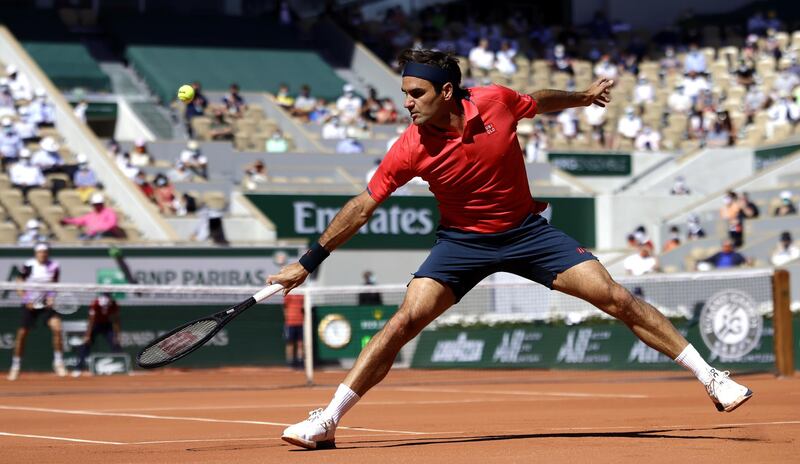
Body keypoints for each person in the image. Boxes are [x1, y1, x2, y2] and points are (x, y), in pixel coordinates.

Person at [270, 48, 752, 450]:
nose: (407, 104)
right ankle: (328, 420)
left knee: (616, 297)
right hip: (461, 243)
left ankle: (711, 377)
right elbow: (362, 206)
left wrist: (583, 98)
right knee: (402, 322)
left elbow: (536, 100)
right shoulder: (409, 146)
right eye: (404, 94)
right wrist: (308, 262)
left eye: (415, 94)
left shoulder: (496, 101)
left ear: (445, 91)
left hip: (527, 233)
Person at [8, 243, 66, 381]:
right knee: (22, 334)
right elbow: (19, 281)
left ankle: (58, 363)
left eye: (45, 252)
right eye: (40, 252)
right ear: (36, 253)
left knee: (57, 328)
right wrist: (25, 298)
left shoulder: (54, 266)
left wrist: (51, 297)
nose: (43, 254)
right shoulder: (29, 265)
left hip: (46, 304)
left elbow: (55, 283)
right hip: (29, 304)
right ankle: (15, 366)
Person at [73, 293, 122, 376]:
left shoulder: (114, 304)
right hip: (95, 325)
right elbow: (91, 320)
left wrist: (117, 335)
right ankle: (78, 368)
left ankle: (121, 367)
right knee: (85, 345)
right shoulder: (94, 304)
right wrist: (87, 335)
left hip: (107, 325)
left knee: (115, 344)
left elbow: (116, 320)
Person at [283, 292, 304, 368]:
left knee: (300, 343)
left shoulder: (302, 295)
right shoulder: (288, 294)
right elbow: (285, 308)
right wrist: (287, 320)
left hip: (301, 323)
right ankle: (290, 362)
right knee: (290, 343)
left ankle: (300, 361)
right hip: (290, 323)